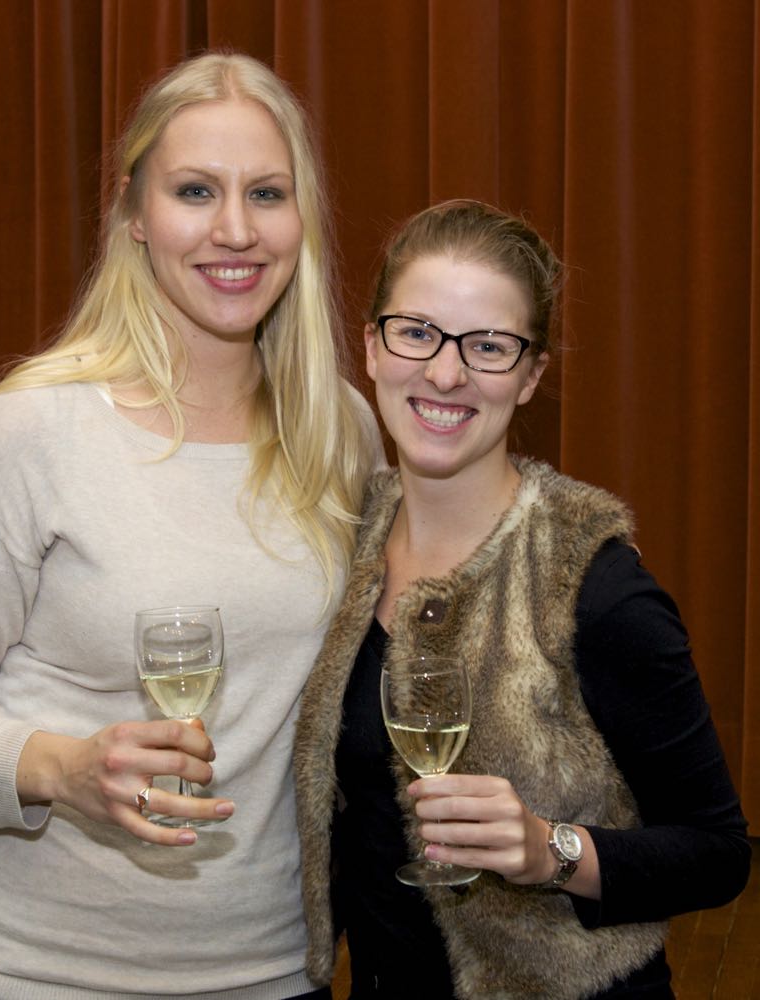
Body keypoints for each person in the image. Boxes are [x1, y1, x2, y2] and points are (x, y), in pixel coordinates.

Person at [0, 52, 382, 1000]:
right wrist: (60, 768)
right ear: (135, 212)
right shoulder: (32, 429)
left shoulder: (339, 431)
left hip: (273, 966)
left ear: (301, 217)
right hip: (22, 973)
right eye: (195, 191)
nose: (236, 229)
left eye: (266, 193)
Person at [293, 200, 751, 999]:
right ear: (370, 346)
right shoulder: (334, 547)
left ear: (531, 374)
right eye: (416, 332)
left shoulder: (593, 587)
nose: (445, 373)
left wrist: (551, 852)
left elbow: (717, 854)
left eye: (488, 346)